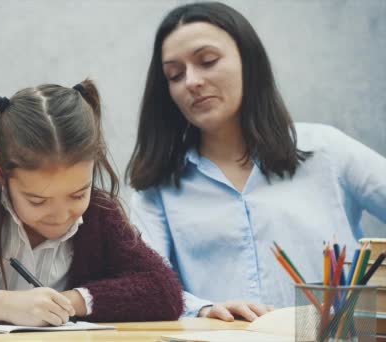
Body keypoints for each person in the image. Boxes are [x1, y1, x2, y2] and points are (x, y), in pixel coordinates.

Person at [126, 2, 386, 322]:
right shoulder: (157, 188)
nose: (191, 81)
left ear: (249, 61)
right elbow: (148, 283)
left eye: (207, 61)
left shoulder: (326, 150)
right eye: (175, 75)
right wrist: (202, 308)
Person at [0, 80, 183, 326]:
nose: (60, 215)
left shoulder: (99, 215)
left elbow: (164, 292)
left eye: (78, 194)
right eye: (37, 200)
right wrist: (5, 305)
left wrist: (67, 303)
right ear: (1, 173)